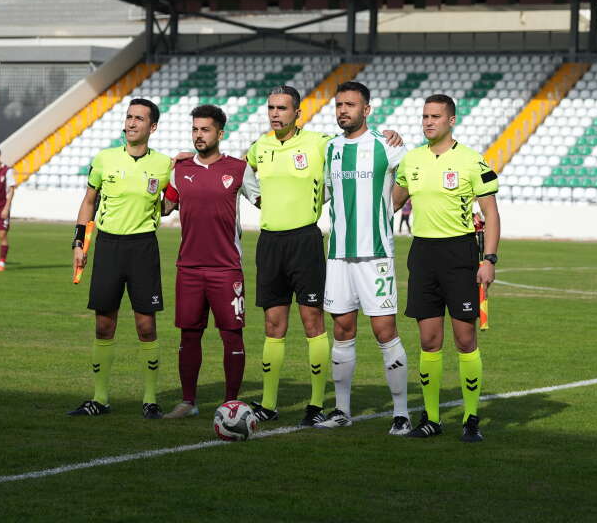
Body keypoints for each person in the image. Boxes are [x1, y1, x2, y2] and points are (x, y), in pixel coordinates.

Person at [393, 94, 500, 442]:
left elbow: (492, 213)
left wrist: (489, 259)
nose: (428, 122)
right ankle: (432, 419)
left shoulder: (471, 161)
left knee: (465, 339)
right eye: (424, 116)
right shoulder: (412, 160)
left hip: (459, 253)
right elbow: (391, 203)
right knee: (428, 339)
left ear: (451, 120)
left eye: (435, 116)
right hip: (422, 253)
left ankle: (471, 418)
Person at [314, 81, 412, 435]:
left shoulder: (387, 145)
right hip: (338, 253)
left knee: (384, 330)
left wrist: (392, 204)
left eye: (351, 105)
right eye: (339, 104)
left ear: (366, 110)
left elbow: (411, 177)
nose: (343, 110)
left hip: (376, 255)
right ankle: (342, 410)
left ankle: (401, 412)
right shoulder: (329, 148)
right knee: (341, 330)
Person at [70, 99, 172, 418]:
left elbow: (168, 205)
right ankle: (99, 399)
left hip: (143, 248)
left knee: (145, 325)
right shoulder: (104, 159)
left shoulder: (164, 165)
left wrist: (174, 202)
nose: (131, 123)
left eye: (139, 118)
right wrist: (79, 243)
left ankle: (150, 399)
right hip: (109, 246)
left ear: (151, 127)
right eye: (128, 117)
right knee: (104, 324)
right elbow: (88, 202)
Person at [244, 85, 335, 427]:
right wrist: (255, 199)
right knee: (273, 324)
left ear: (298, 113)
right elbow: (241, 171)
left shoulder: (319, 142)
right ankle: (268, 403)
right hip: (269, 242)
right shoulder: (260, 147)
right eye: (271, 108)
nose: (275, 114)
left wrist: (387, 135)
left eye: (282, 108)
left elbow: (355, 147)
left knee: (313, 322)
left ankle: (315, 404)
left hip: (304, 241)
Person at [159, 104, 250, 419]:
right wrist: (168, 167)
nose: (199, 135)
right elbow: (164, 207)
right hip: (190, 268)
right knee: (189, 334)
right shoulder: (180, 170)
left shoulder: (239, 169)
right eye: (195, 129)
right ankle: (188, 401)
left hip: (226, 268)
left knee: (231, 334)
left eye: (205, 129)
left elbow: (266, 199)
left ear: (220, 133)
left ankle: (231, 403)